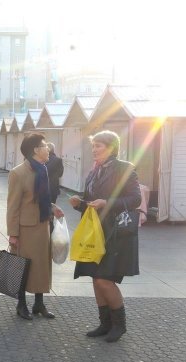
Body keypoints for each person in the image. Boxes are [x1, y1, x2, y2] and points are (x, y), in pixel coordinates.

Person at [69, 130, 141, 343]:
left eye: (98, 146)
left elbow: (135, 199)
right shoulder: (94, 171)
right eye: (93, 146)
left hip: (115, 233)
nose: (94, 150)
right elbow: (91, 202)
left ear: (111, 148)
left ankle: (119, 325)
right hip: (95, 232)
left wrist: (106, 203)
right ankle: (105, 323)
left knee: (104, 279)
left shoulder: (125, 168)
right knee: (95, 277)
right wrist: (79, 204)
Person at [7, 133, 65, 320]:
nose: (48, 148)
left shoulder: (42, 169)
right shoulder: (18, 173)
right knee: (24, 266)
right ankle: (21, 304)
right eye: (44, 145)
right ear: (35, 150)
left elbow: (41, 199)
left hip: (42, 224)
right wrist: (13, 234)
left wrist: (52, 208)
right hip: (26, 228)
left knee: (42, 265)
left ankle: (39, 304)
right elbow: (13, 206)